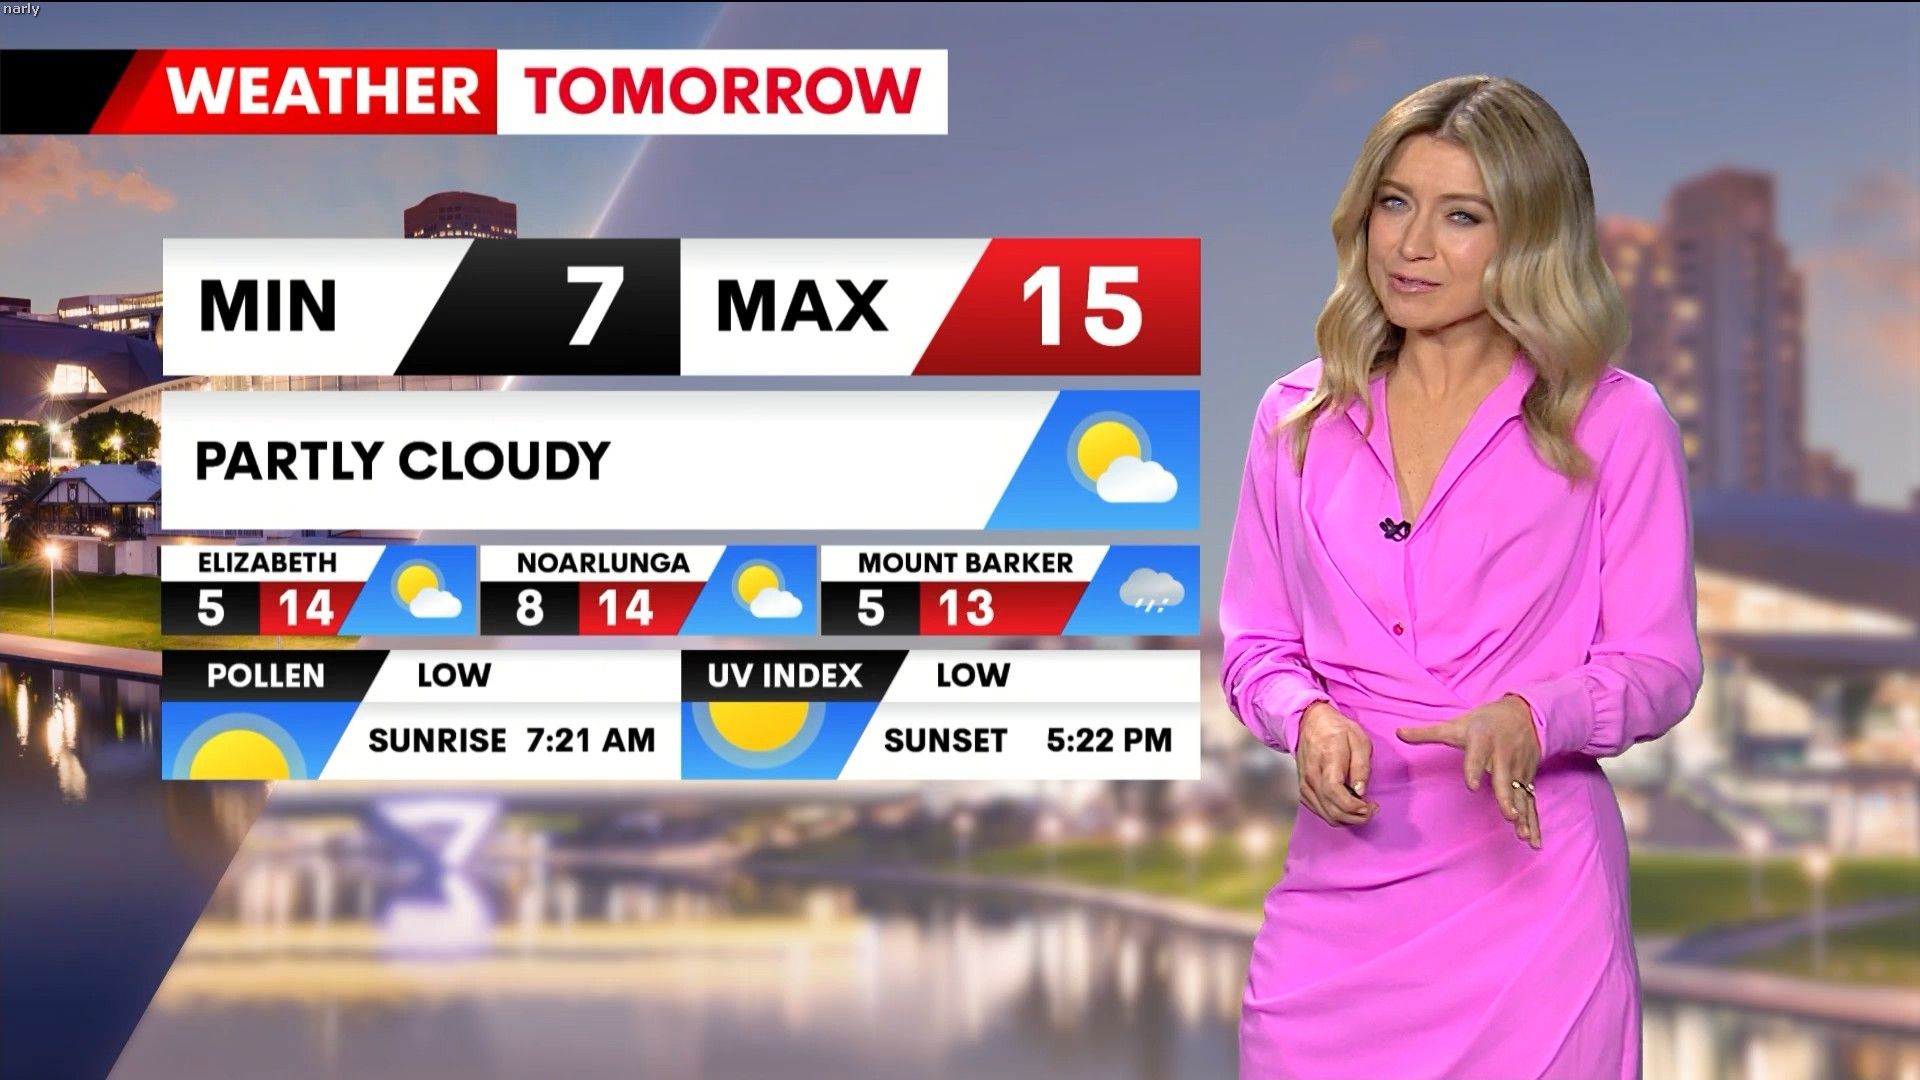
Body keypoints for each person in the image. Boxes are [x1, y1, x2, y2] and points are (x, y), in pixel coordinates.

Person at [1220, 74, 1704, 1079]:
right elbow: (1257, 645)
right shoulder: (1294, 418)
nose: (1412, 245)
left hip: (1532, 906)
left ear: (1529, 237)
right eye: (1394, 203)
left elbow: (1659, 665)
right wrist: (1303, 717)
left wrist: (1537, 715)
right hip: (1335, 910)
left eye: (1461, 216)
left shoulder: (1617, 421)